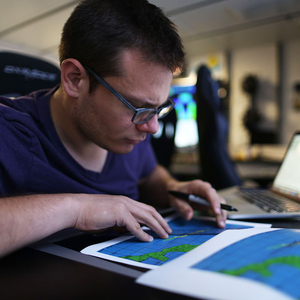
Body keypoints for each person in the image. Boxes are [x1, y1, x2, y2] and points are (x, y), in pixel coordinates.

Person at [0, 0, 226, 258]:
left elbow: (150, 176)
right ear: (75, 79)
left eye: (158, 108)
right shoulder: (8, 133)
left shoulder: (132, 132)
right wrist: (77, 208)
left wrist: (174, 187)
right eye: (138, 107)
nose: (152, 127)